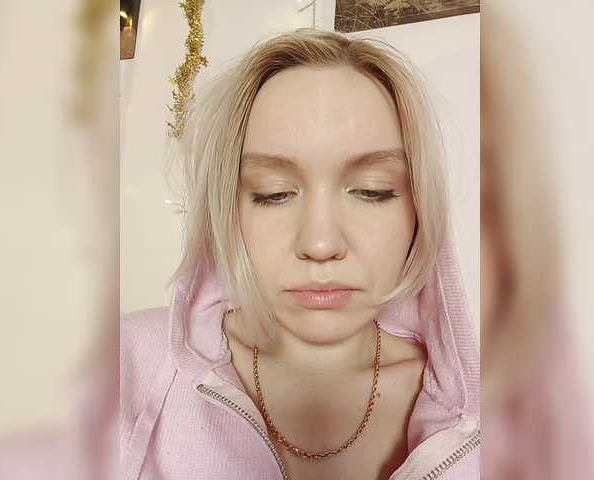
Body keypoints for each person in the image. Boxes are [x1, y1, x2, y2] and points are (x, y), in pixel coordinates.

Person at [121, 29, 479, 480]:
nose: (320, 244)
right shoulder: (126, 366)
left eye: (372, 191)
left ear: (420, 209)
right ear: (228, 209)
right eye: (273, 193)